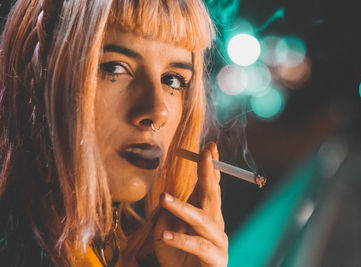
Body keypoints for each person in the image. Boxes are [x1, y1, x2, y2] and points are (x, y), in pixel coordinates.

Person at [0, 0, 228, 266]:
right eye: (114, 68)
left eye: (172, 80)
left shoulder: (134, 248)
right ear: (42, 72)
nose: (157, 112)